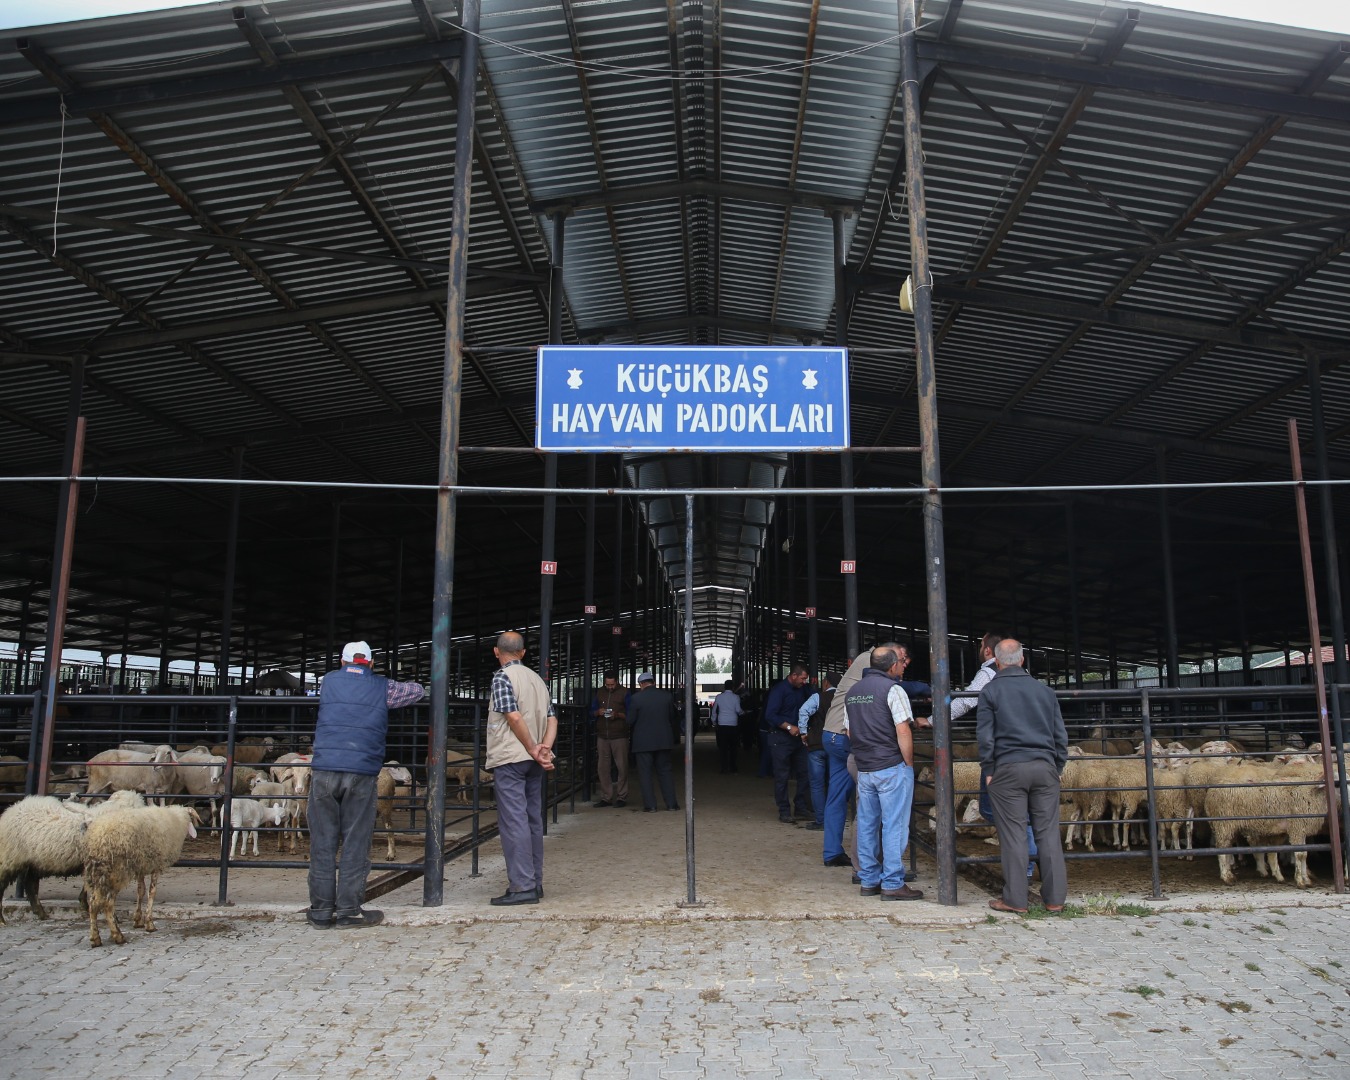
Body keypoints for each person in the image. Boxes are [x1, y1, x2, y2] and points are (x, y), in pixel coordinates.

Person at [307, 640, 425, 929]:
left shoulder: (328, 683)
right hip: (361, 772)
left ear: (342, 662)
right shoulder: (383, 687)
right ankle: (348, 911)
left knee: (322, 842)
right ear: (371, 663)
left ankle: (321, 911)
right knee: (355, 842)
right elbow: (418, 691)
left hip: (324, 770)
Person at [977, 638, 1069, 914]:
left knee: (1014, 834)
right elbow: (1060, 737)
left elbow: (985, 737)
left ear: (996, 662)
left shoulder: (990, 691)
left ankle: (1016, 900)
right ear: (1022, 660)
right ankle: (1055, 899)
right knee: (1048, 833)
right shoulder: (1045, 692)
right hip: (1044, 767)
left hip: (1008, 769)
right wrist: (1056, 767)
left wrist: (989, 770)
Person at [821, 644, 928, 870]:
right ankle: (873, 869)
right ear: (893, 656)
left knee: (839, 795)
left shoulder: (858, 684)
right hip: (848, 741)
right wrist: (925, 687)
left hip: (833, 734)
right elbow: (895, 689)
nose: (903, 666)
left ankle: (833, 852)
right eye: (903, 660)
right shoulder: (872, 662)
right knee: (872, 806)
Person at [955, 633, 1039, 880]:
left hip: (1006, 760)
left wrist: (931, 719)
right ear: (1021, 660)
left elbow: (966, 705)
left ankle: (1022, 873)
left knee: (1009, 817)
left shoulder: (988, 677)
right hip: (1036, 760)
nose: (980, 649)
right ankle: (1033, 868)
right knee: (1031, 818)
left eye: (982, 645)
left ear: (992, 654)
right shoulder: (1035, 685)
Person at [845, 645, 923, 900]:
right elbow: (903, 730)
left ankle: (869, 880)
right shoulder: (893, 689)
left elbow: (849, 732)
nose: (902, 667)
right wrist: (908, 765)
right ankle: (892, 882)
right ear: (892, 666)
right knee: (894, 825)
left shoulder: (853, 692)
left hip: (866, 768)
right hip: (891, 767)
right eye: (901, 663)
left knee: (867, 824)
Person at [485, 631, 557, 906]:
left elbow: (512, 716)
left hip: (511, 758)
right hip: (535, 760)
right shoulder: (538, 679)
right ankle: (534, 882)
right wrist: (544, 750)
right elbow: (552, 719)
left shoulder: (502, 677)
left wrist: (530, 747)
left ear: (496, 651)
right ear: (523, 653)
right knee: (532, 821)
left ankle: (522, 886)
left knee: (513, 821)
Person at [762, 662, 811, 823]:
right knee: (782, 775)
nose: (804, 682)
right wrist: (789, 726)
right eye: (802, 678)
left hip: (798, 738)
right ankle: (784, 810)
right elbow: (770, 715)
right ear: (794, 675)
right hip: (781, 738)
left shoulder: (802, 690)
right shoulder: (779, 691)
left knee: (804, 772)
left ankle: (801, 806)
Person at [628, 671, 679, 812]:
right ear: (653, 682)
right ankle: (671, 804)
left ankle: (650, 805)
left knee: (645, 774)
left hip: (643, 742)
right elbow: (672, 717)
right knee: (665, 772)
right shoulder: (667, 697)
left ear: (641, 684)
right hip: (663, 740)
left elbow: (630, 720)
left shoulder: (636, 699)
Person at [797, 671, 839, 831]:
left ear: (826, 683)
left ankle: (821, 820)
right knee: (835, 783)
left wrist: (803, 731)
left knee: (816, 785)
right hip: (836, 744)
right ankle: (835, 819)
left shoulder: (818, 697)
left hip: (817, 744)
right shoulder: (844, 698)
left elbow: (803, 711)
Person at [590, 670, 630, 808]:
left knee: (622, 766)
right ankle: (606, 797)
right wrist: (597, 712)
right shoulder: (599, 692)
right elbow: (592, 710)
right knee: (602, 768)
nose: (610, 687)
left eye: (612, 684)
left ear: (616, 682)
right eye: (607, 684)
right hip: (602, 735)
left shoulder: (625, 692)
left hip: (620, 735)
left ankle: (621, 796)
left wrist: (617, 715)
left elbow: (630, 713)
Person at [711, 679, 744, 774]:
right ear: (733, 687)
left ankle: (724, 767)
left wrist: (714, 722)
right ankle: (733, 767)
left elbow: (714, 711)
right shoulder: (736, 697)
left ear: (724, 687)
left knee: (723, 747)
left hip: (722, 724)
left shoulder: (719, 697)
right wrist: (743, 712)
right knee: (733, 747)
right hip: (733, 724)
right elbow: (738, 710)